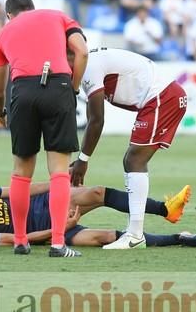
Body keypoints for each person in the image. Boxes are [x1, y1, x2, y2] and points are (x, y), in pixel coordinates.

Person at [0, 0, 89, 258]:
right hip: (57, 85)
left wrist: (0, 112)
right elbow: (82, 51)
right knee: (58, 170)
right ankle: (58, 243)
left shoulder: (4, 32)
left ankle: (20, 241)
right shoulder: (58, 16)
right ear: (32, 9)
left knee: (21, 171)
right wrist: (74, 87)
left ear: (9, 14)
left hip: (22, 91)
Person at [70, 47, 187, 250]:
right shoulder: (89, 61)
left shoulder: (89, 67)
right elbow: (92, 117)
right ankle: (137, 231)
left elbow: (97, 120)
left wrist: (83, 160)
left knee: (134, 160)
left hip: (162, 98)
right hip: (160, 97)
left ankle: (135, 235)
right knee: (131, 160)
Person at [0, 180, 196, 248]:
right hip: (47, 231)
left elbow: (18, 190)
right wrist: (61, 229)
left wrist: (57, 182)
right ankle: (179, 238)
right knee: (103, 238)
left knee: (96, 193)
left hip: (45, 202)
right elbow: (19, 240)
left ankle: (165, 209)